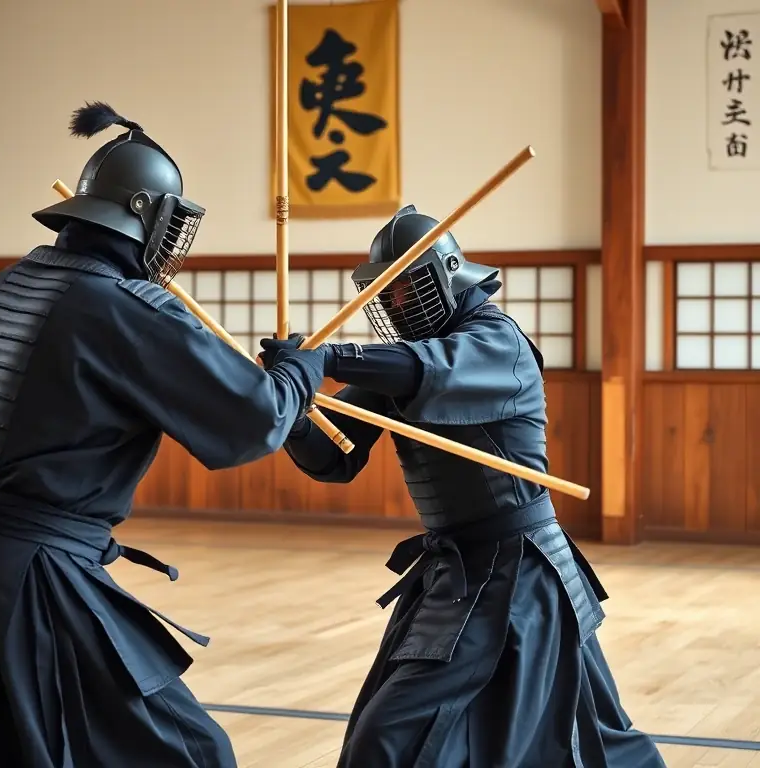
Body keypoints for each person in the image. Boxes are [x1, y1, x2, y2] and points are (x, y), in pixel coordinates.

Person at [0, 101, 328, 768]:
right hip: (31, 583)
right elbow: (252, 420)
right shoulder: (116, 307)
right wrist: (298, 369)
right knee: (191, 755)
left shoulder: (17, 281)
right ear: (146, 214)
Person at [257, 205, 665, 767]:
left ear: (446, 272)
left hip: (519, 571)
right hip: (457, 571)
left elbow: (430, 368)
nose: (397, 305)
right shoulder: (402, 360)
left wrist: (325, 358)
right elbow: (335, 456)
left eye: (407, 288)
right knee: (561, 729)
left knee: (406, 735)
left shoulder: (494, 342)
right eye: (387, 294)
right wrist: (292, 404)